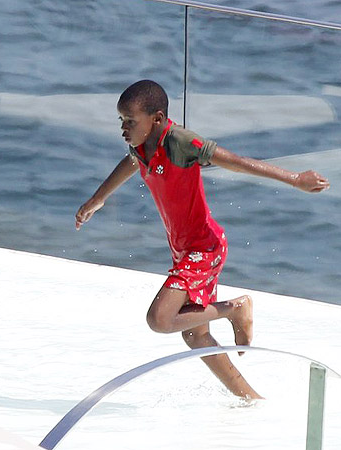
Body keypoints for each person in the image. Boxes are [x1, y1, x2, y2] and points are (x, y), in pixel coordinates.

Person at [75, 80, 330, 399]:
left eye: (130, 121)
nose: (124, 129)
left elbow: (233, 161)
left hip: (204, 249)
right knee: (195, 335)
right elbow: (129, 163)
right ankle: (250, 398)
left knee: (160, 319)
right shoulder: (141, 147)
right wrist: (96, 201)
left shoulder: (180, 141)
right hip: (185, 251)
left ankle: (234, 309)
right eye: (121, 121)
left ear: (156, 119)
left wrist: (294, 179)